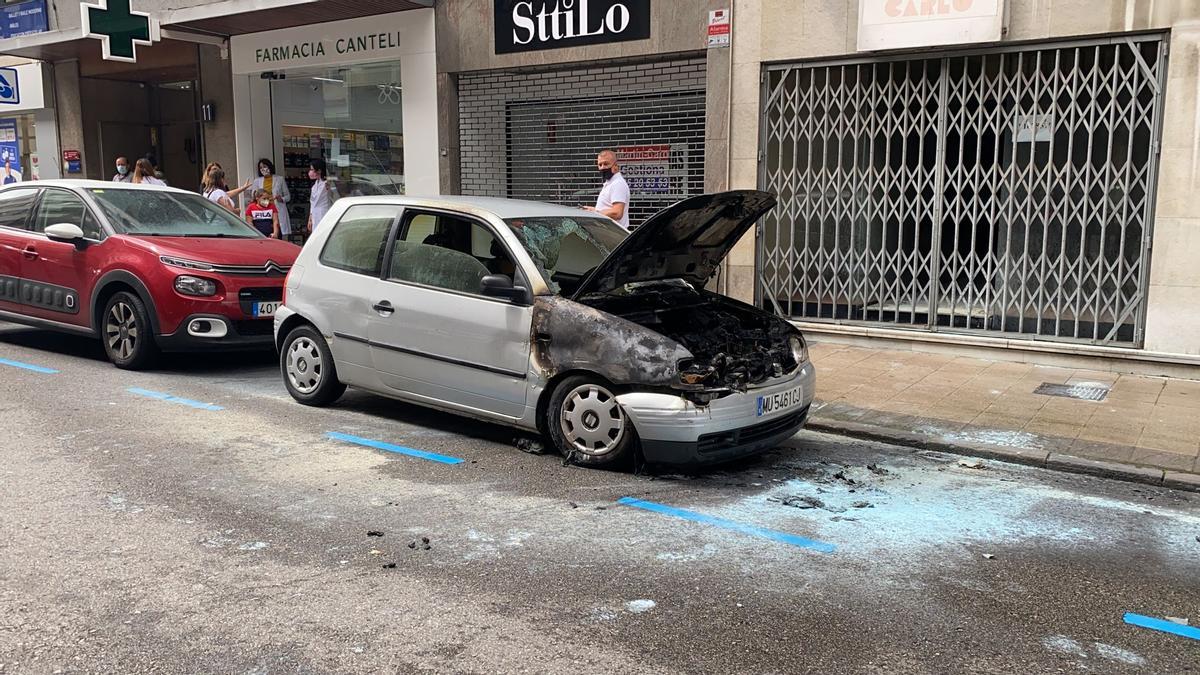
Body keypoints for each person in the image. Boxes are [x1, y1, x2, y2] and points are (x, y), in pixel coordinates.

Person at [584, 149, 630, 230]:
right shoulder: (610, 183)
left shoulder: (617, 184)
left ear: (615, 166)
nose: (602, 168)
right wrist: (593, 210)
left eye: (606, 164)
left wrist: (595, 213)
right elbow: (608, 207)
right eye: (600, 165)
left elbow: (617, 213)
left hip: (615, 235)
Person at [251, 158, 291, 238]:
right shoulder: (257, 181)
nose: (263, 169)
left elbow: (288, 196)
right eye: (261, 168)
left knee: (280, 233)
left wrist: (281, 199)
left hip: (277, 208)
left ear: (270, 167)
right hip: (264, 211)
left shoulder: (279, 179)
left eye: (265, 166)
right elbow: (254, 196)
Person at [306, 159, 338, 233]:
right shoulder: (314, 186)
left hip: (324, 212)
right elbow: (312, 203)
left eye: (312, 169)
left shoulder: (327, 183)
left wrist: (330, 189)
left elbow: (335, 197)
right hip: (315, 214)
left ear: (319, 171)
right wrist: (310, 218)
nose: (310, 172)